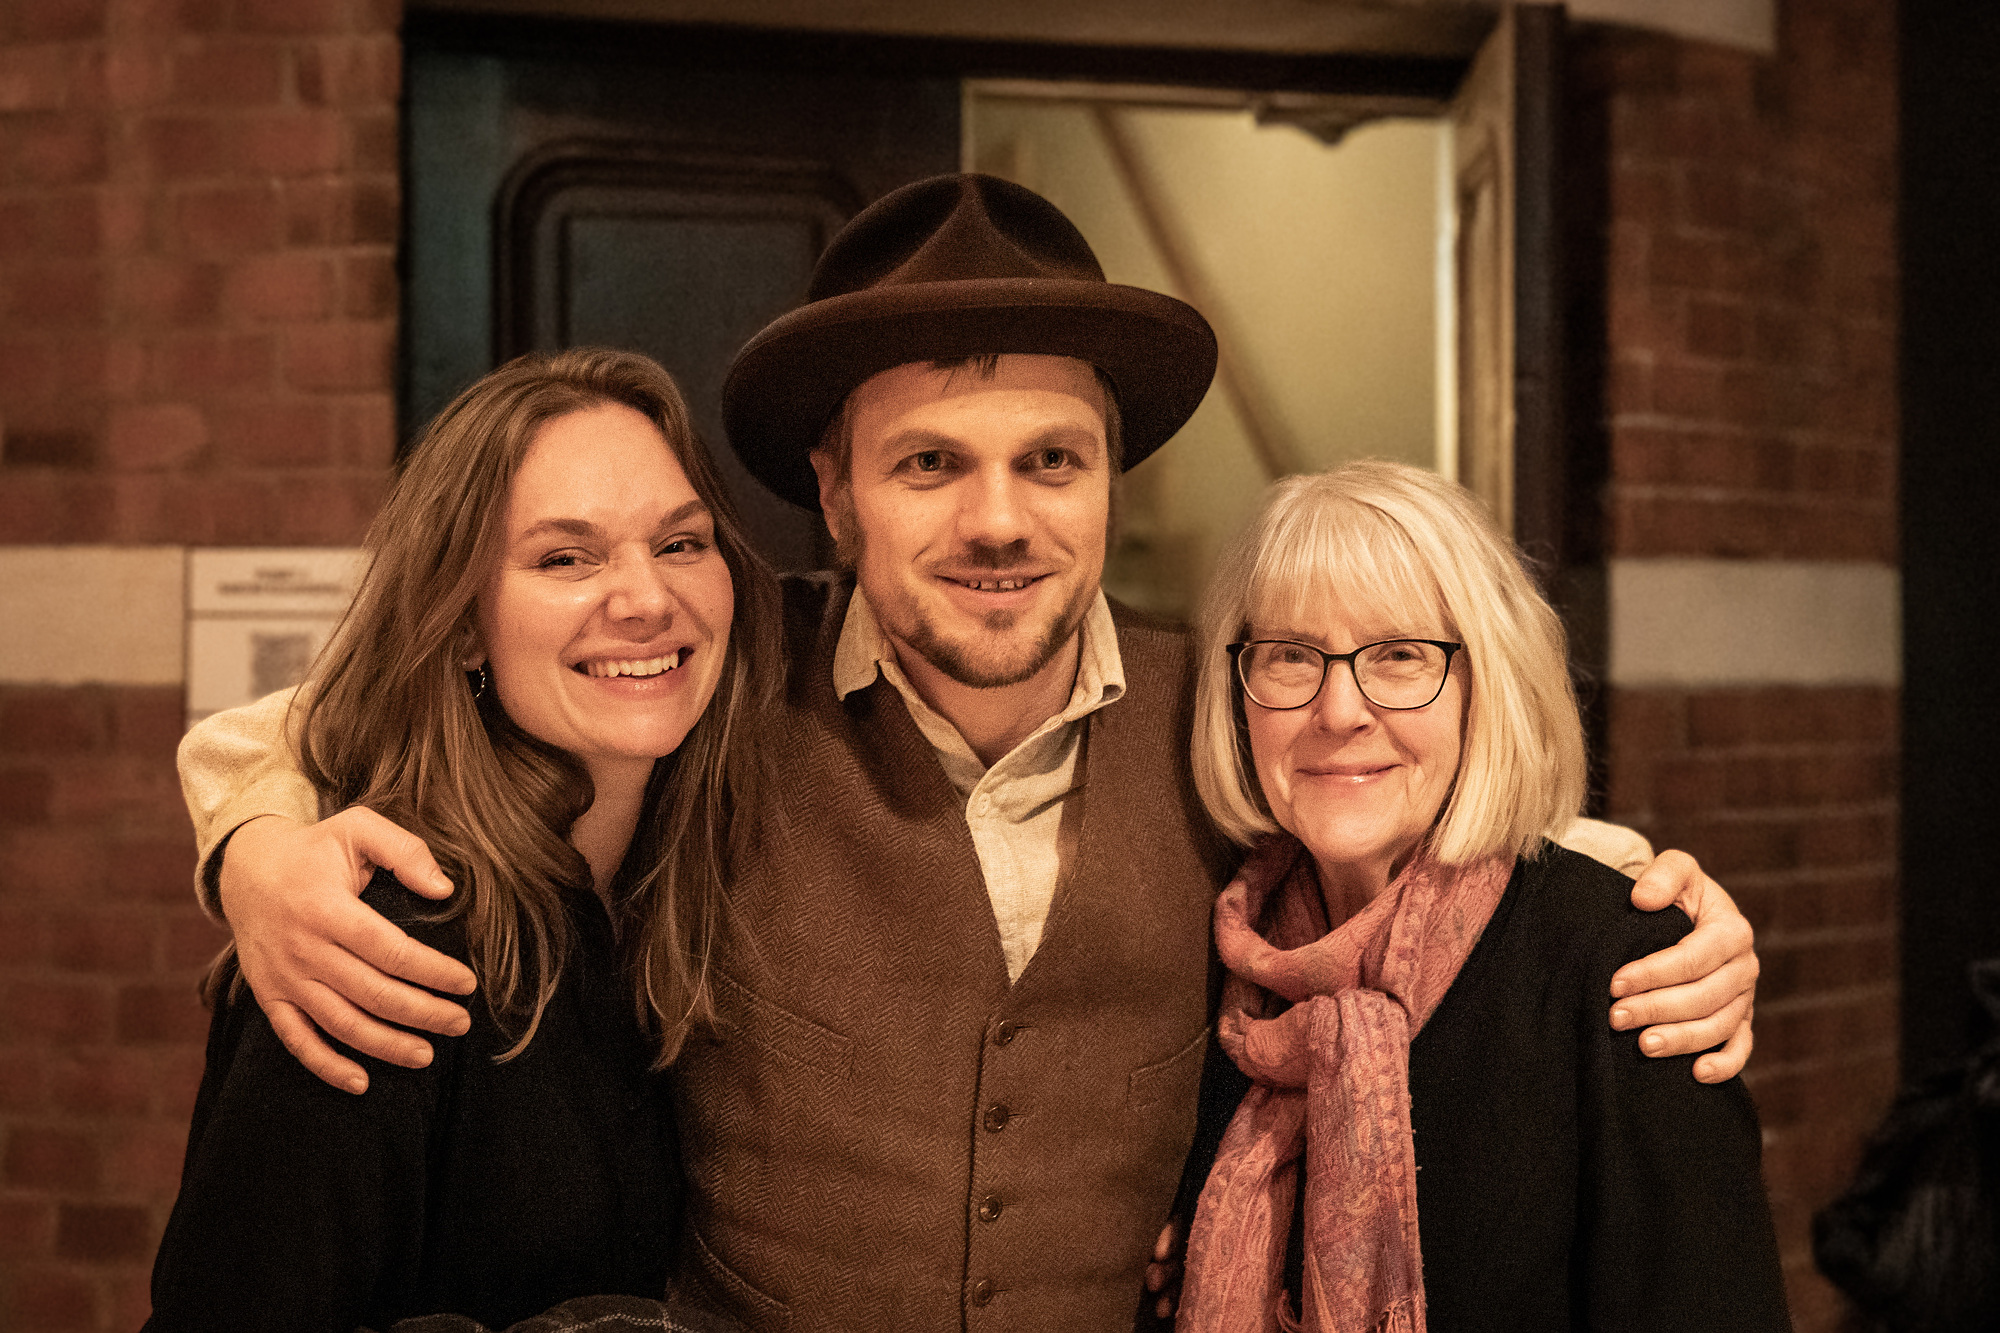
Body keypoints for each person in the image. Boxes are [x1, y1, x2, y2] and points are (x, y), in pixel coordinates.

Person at [176, 175, 1761, 1332]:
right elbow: (385, 704)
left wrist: (1651, 894)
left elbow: (1419, 814)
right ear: (836, 487)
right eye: (929, 463)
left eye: (1050, 461)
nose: (999, 521)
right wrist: (253, 842)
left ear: (1111, 484)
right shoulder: (720, 670)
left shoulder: (1221, 714)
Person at [148, 349, 779, 1332]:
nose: (648, 598)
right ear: (462, 625)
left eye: (681, 542)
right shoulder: (377, 934)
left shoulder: (660, 886)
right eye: (564, 557)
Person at [1176, 461, 1789, 1331]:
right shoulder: (1222, 963)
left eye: (1399, 655)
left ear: (1485, 687)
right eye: (1289, 656)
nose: (1339, 707)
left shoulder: (1625, 968)